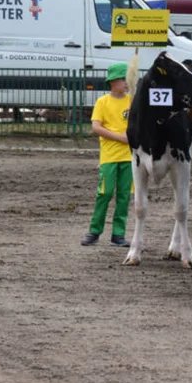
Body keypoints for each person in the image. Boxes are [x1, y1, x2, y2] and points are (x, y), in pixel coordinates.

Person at [81, 63, 133, 247]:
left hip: (129, 157)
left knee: (124, 195)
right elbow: (96, 127)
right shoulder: (103, 102)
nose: (127, 83)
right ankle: (94, 230)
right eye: (123, 79)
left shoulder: (132, 101)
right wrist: (120, 137)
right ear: (113, 82)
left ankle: (118, 234)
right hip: (110, 156)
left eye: (127, 79)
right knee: (105, 193)